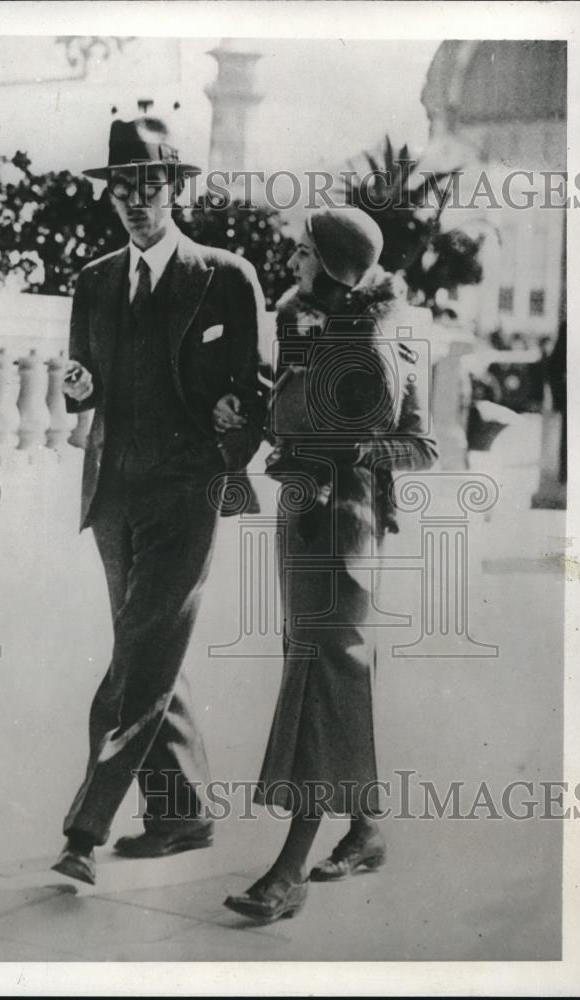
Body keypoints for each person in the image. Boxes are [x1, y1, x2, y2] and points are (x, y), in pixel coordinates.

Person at [52, 117, 266, 885]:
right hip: (113, 496)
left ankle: (84, 829)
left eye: (150, 186)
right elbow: (86, 382)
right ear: (109, 196)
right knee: (148, 655)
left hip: (186, 495)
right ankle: (182, 816)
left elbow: (257, 387)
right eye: (122, 189)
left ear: (176, 189)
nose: (135, 201)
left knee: (133, 671)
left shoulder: (227, 276)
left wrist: (228, 439)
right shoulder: (94, 281)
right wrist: (80, 388)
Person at [215, 207, 438, 922]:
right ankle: (367, 827)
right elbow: (279, 406)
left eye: (305, 254)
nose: (293, 264)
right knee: (323, 670)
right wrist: (247, 425)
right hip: (298, 514)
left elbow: (420, 445)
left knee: (322, 672)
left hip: (348, 524)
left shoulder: (385, 333)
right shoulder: (298, 321)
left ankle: (289, 870)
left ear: (338, 267)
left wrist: (347, 454)